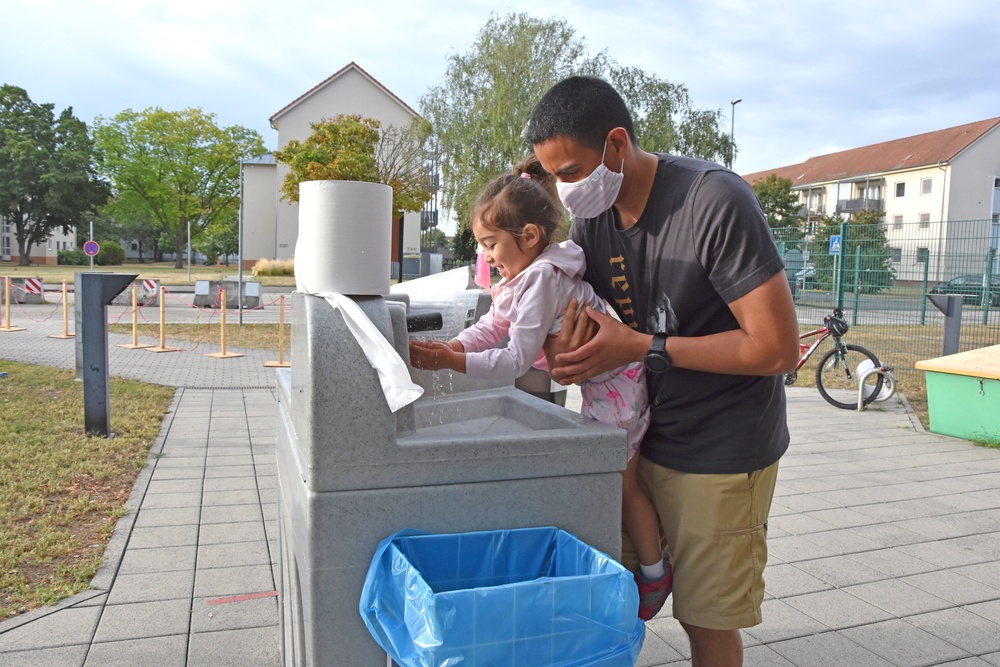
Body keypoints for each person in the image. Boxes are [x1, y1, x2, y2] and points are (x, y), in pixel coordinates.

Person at [525, 76, 800, 667]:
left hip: (721, 445)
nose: (565, 191)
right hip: (635, 437)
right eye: (555, 176)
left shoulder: (712, 200)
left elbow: (776, 348)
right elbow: (594, 328)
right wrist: (573, 357)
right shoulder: (593, 218)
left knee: (707, 621)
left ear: (617, 146)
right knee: (610, 594)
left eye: (572, 171)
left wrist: (642, 347)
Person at [408, 156, 673, 619]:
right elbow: (493, 326)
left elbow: (513, 356)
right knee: (604, 474)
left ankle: (654, 574)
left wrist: (454, 360)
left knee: (619, 481)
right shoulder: (525, 276)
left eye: (491, 244)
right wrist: (453, 345)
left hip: (618, 381)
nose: (486, 256)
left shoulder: (544, 280)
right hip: (602, 379)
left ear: (528, 237)